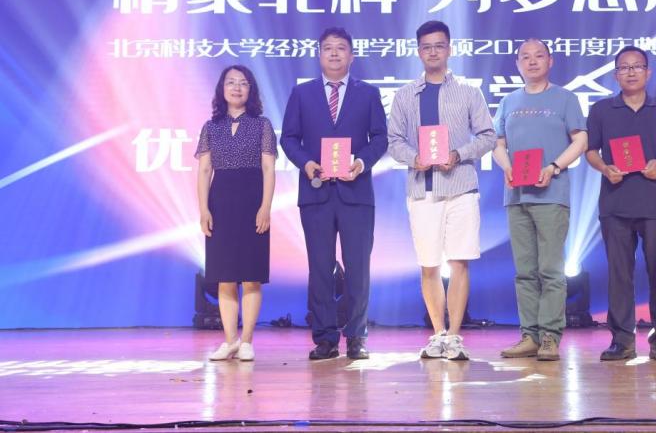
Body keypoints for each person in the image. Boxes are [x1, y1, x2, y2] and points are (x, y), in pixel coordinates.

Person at [387, 20, 496, 361]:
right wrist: (414, 158)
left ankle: (455, 336)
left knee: (459, 262)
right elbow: (394, 141)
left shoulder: (468, 92)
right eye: (426, 47)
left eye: (439, 45)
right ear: (418, 51)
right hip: (423, 190)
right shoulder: (405, 95)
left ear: (449, 49)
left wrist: (459, 154)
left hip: (461, 187)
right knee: (429, 265)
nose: (433, 52)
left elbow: (488, 136)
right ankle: (437, 334)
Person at [280, 27, 388, 360]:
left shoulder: (368, 94)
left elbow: (380, 138)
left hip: (356, 193)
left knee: (358, 268)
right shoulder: (302, 93)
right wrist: (306, 164)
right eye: (328, 48)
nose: (335, 53)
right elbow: (289, 138)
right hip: (316, 193)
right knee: (320, 268)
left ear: (352, 55)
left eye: (341, 48)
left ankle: (356, 336)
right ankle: (325, 338)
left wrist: (361, 162)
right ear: (319, 55)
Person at [493, 39, 587, 361]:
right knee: (524, 270)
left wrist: (554, 167)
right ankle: (529, 335)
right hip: (516, 194)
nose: (532, 61)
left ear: (550, 61)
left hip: (551, 193)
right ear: (517, 63)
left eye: (539, 56)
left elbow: (581, 140)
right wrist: (506, 167)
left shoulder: (565, 98)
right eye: (525, 57)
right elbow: (497, 142)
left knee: (550, 269)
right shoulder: (508, 101)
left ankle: (549, 336)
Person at [586, 46, 656, 363]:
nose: (630, 72)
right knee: (619, 276)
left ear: (648, 72)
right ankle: (622, 340)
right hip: (616, 204)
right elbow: (590, 151)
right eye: (624, 67)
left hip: (655, 204)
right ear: (616, 75)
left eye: (637, 66)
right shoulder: (601, 110)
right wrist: (605, 168)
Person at [196, 65, 277, 361]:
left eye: (243, 83)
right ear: (222, 89)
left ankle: (246, 342)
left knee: (251, 276)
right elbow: (204, 171)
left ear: (250, 90)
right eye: (231, 82)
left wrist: (265, 207)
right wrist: (204, 209)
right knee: (224, 276)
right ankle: (230, 341)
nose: (236, 87)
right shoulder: (211, 127)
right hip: (220, 203)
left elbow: (268, 168)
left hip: (252, 201)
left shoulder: (262, 125)